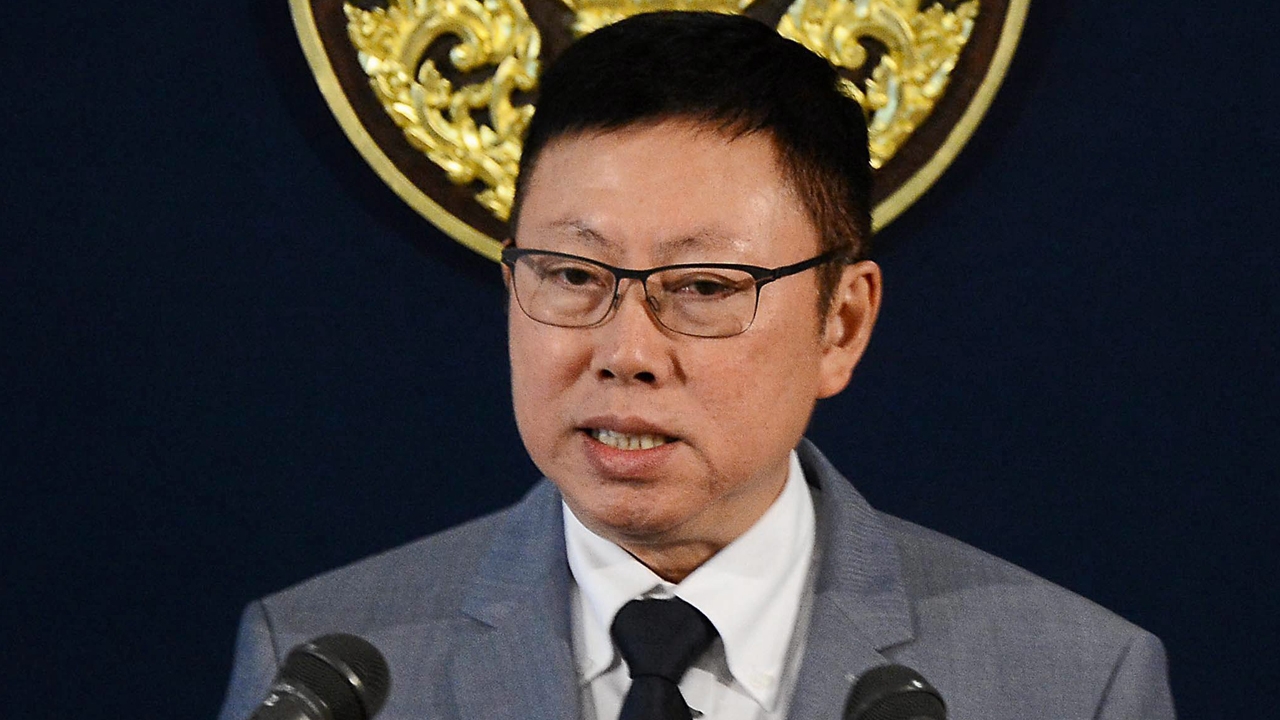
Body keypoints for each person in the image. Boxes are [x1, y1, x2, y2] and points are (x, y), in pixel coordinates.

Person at [216, 12, 1175, 720]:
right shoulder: (324, 672)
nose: (627, 353)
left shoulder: (1068, 684)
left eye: (705, 287)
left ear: (841, 324)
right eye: (573, 275)